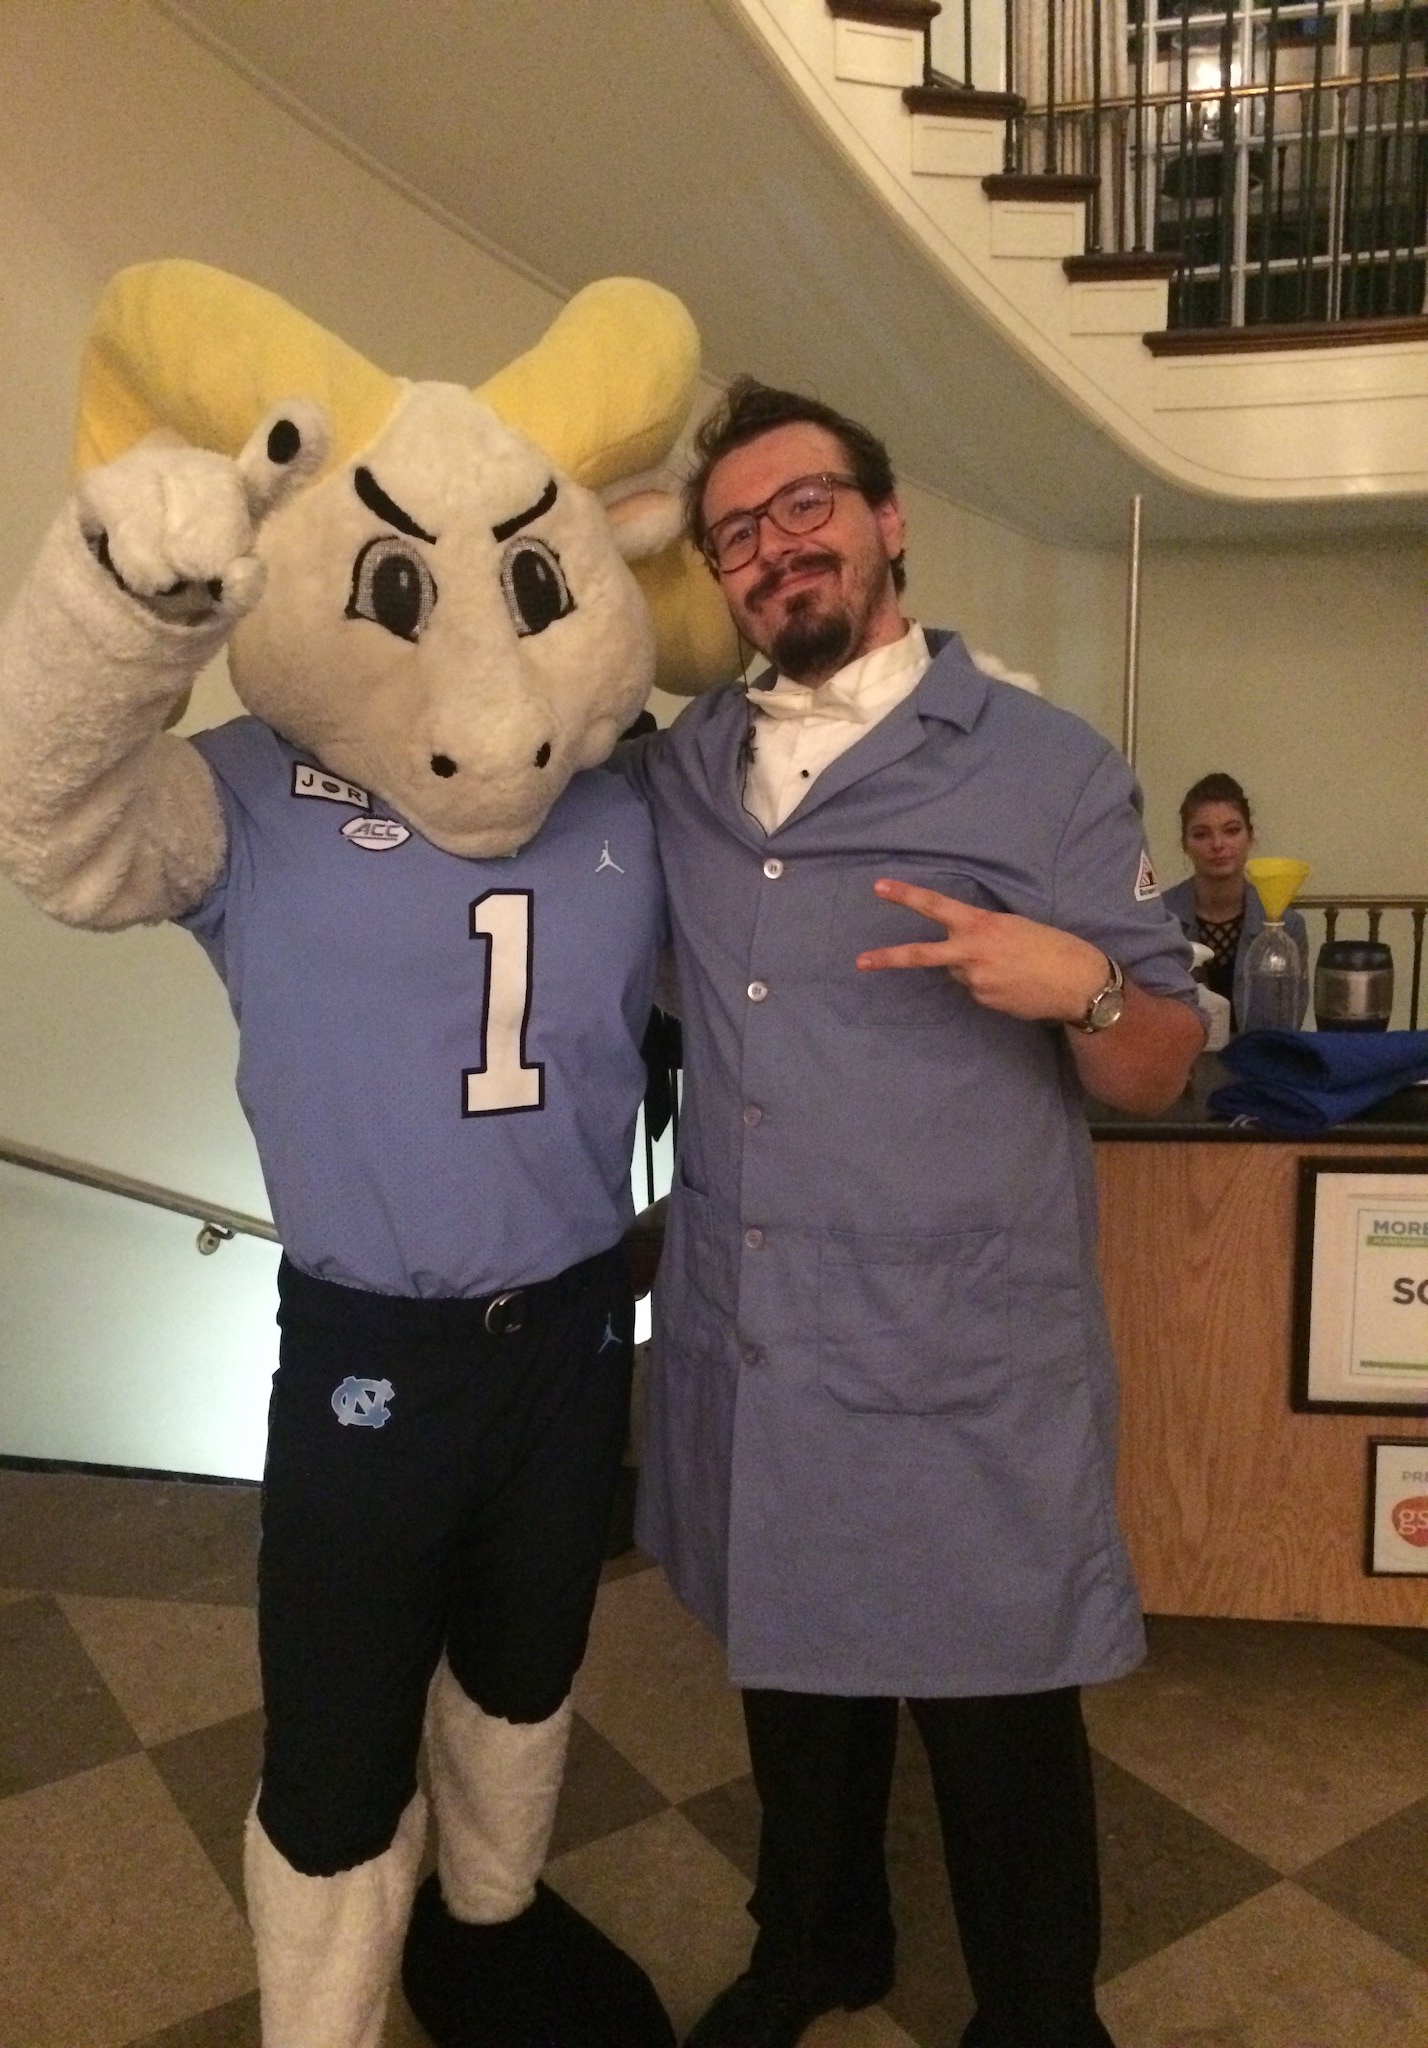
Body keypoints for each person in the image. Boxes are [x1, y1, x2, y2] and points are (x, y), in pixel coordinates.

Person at [620, 378, 1205, 2048]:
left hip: (963, 1350)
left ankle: (1037, 2007)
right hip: (763, 1337)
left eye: (804, 505)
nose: (771, 546)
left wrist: (1082, 983)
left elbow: (1159, 1064)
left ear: (887, 523)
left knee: (996, 1715)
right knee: (794, 1682)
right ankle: (819, 1941)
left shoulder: (1042, 768)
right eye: (738, 532)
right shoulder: (687, 774)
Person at [1163, 773, 1308, 1023]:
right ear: (1185, 844)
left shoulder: (1286, 926)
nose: (1218, 844)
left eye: (1231, 831)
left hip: (1259, 1058)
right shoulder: (1159, 918)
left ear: (1250, 836)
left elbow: (1288, 1021)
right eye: (1201, 834)